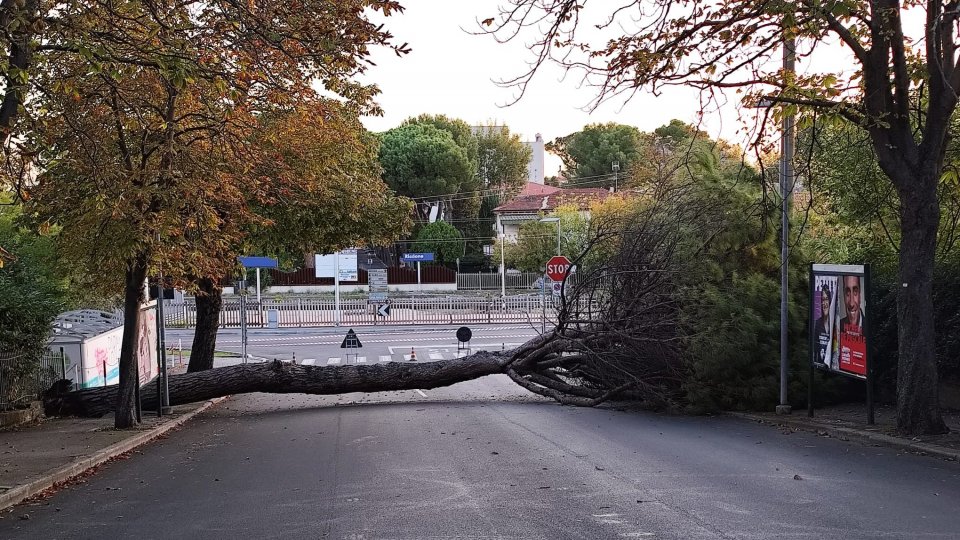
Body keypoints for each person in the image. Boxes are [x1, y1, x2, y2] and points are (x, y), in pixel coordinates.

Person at [814, 284, 832, 363]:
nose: (824, 303)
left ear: (830, 301)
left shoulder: (835, 323)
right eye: (822, 300)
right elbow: (815, 350)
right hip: (821, 366)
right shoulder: (817, 323)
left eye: (826, 299)